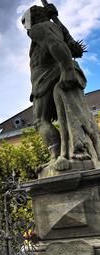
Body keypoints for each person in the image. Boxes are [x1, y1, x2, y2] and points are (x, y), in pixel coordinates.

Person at [22, 4, 100, 173]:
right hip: (50, 77)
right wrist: (56, 18)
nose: (25, 27)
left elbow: (56, 44)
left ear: (31, 19)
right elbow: (74, 48)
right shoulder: (54, 27)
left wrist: (68, 69)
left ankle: (56, 154)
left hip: (47, 78)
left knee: (40, 120)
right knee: (55, 117)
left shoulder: (38, 29)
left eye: (25, 22)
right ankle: (63, 153)